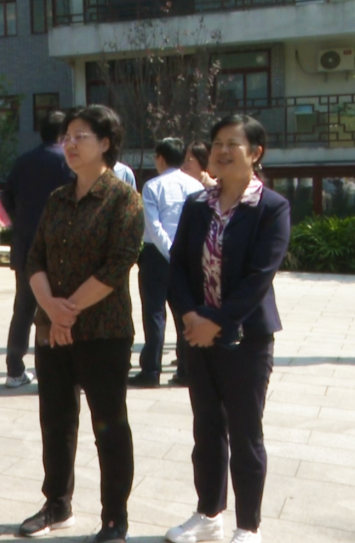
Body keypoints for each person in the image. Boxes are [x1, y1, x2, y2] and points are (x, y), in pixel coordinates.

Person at [20, 105, 143, 543]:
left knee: (109, 425)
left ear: (105, 143)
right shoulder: (58, 198)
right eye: (67, 137)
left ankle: (114, 517)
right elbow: (34, 258)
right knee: (55, 421)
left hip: (103, 331)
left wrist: (65, 311)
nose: (69, 144)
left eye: (80, 137)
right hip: (52, 330)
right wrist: (50, 309)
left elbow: (118, 265)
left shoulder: (123, 199)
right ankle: (57, 503)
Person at [165, 116, 290, 543]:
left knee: (245, 431)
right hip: (196, 335)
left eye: (231, 144)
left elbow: (259, 277)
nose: (220, 151)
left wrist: (216, 323)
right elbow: (177, 267)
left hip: (246, 338)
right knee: (206, 428)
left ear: (255, 152)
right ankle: (208, 514)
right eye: (216, 142)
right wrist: (189, 317)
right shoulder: (197, 204)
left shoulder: (271, 208)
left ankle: (249, 526)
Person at [1, 110, 73, 389]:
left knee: (23, 310)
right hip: (61, 248)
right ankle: (55, 369)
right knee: (60, 308)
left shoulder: (23, 161)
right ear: (64, 134)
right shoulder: (68, 162)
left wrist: (22, 220)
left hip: (26, 246)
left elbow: (6, 197)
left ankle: (14, 369)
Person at [128, 137, 203, 389]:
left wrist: (169, 252)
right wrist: (181, 254)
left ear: (160, 158)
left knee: (154, 314)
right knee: (184, 313)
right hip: (186, 256)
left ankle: (151, 370)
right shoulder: (195, 186)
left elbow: (153, 225)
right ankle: (186, 369)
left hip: (155, 256)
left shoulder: (152, 186)